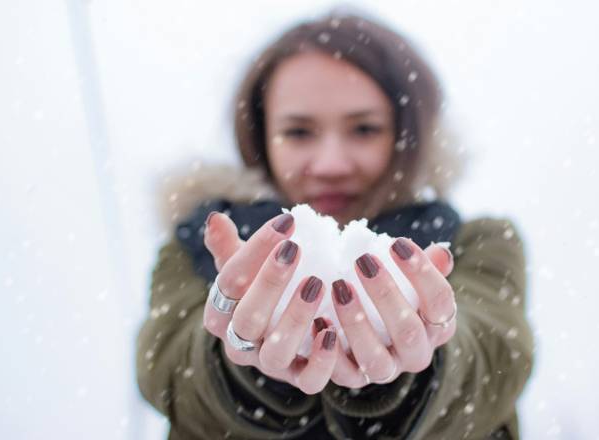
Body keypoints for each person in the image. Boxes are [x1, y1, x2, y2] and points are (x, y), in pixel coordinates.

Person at [136, 10, 534, 440]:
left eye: (364, 129)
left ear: (408, 136)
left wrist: (416, 370)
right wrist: (246, 371)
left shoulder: (476, 243)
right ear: (260, 138)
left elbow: (493, 362)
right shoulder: (197, 247)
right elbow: (171, 374)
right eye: (299, 132)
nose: (330, 164)